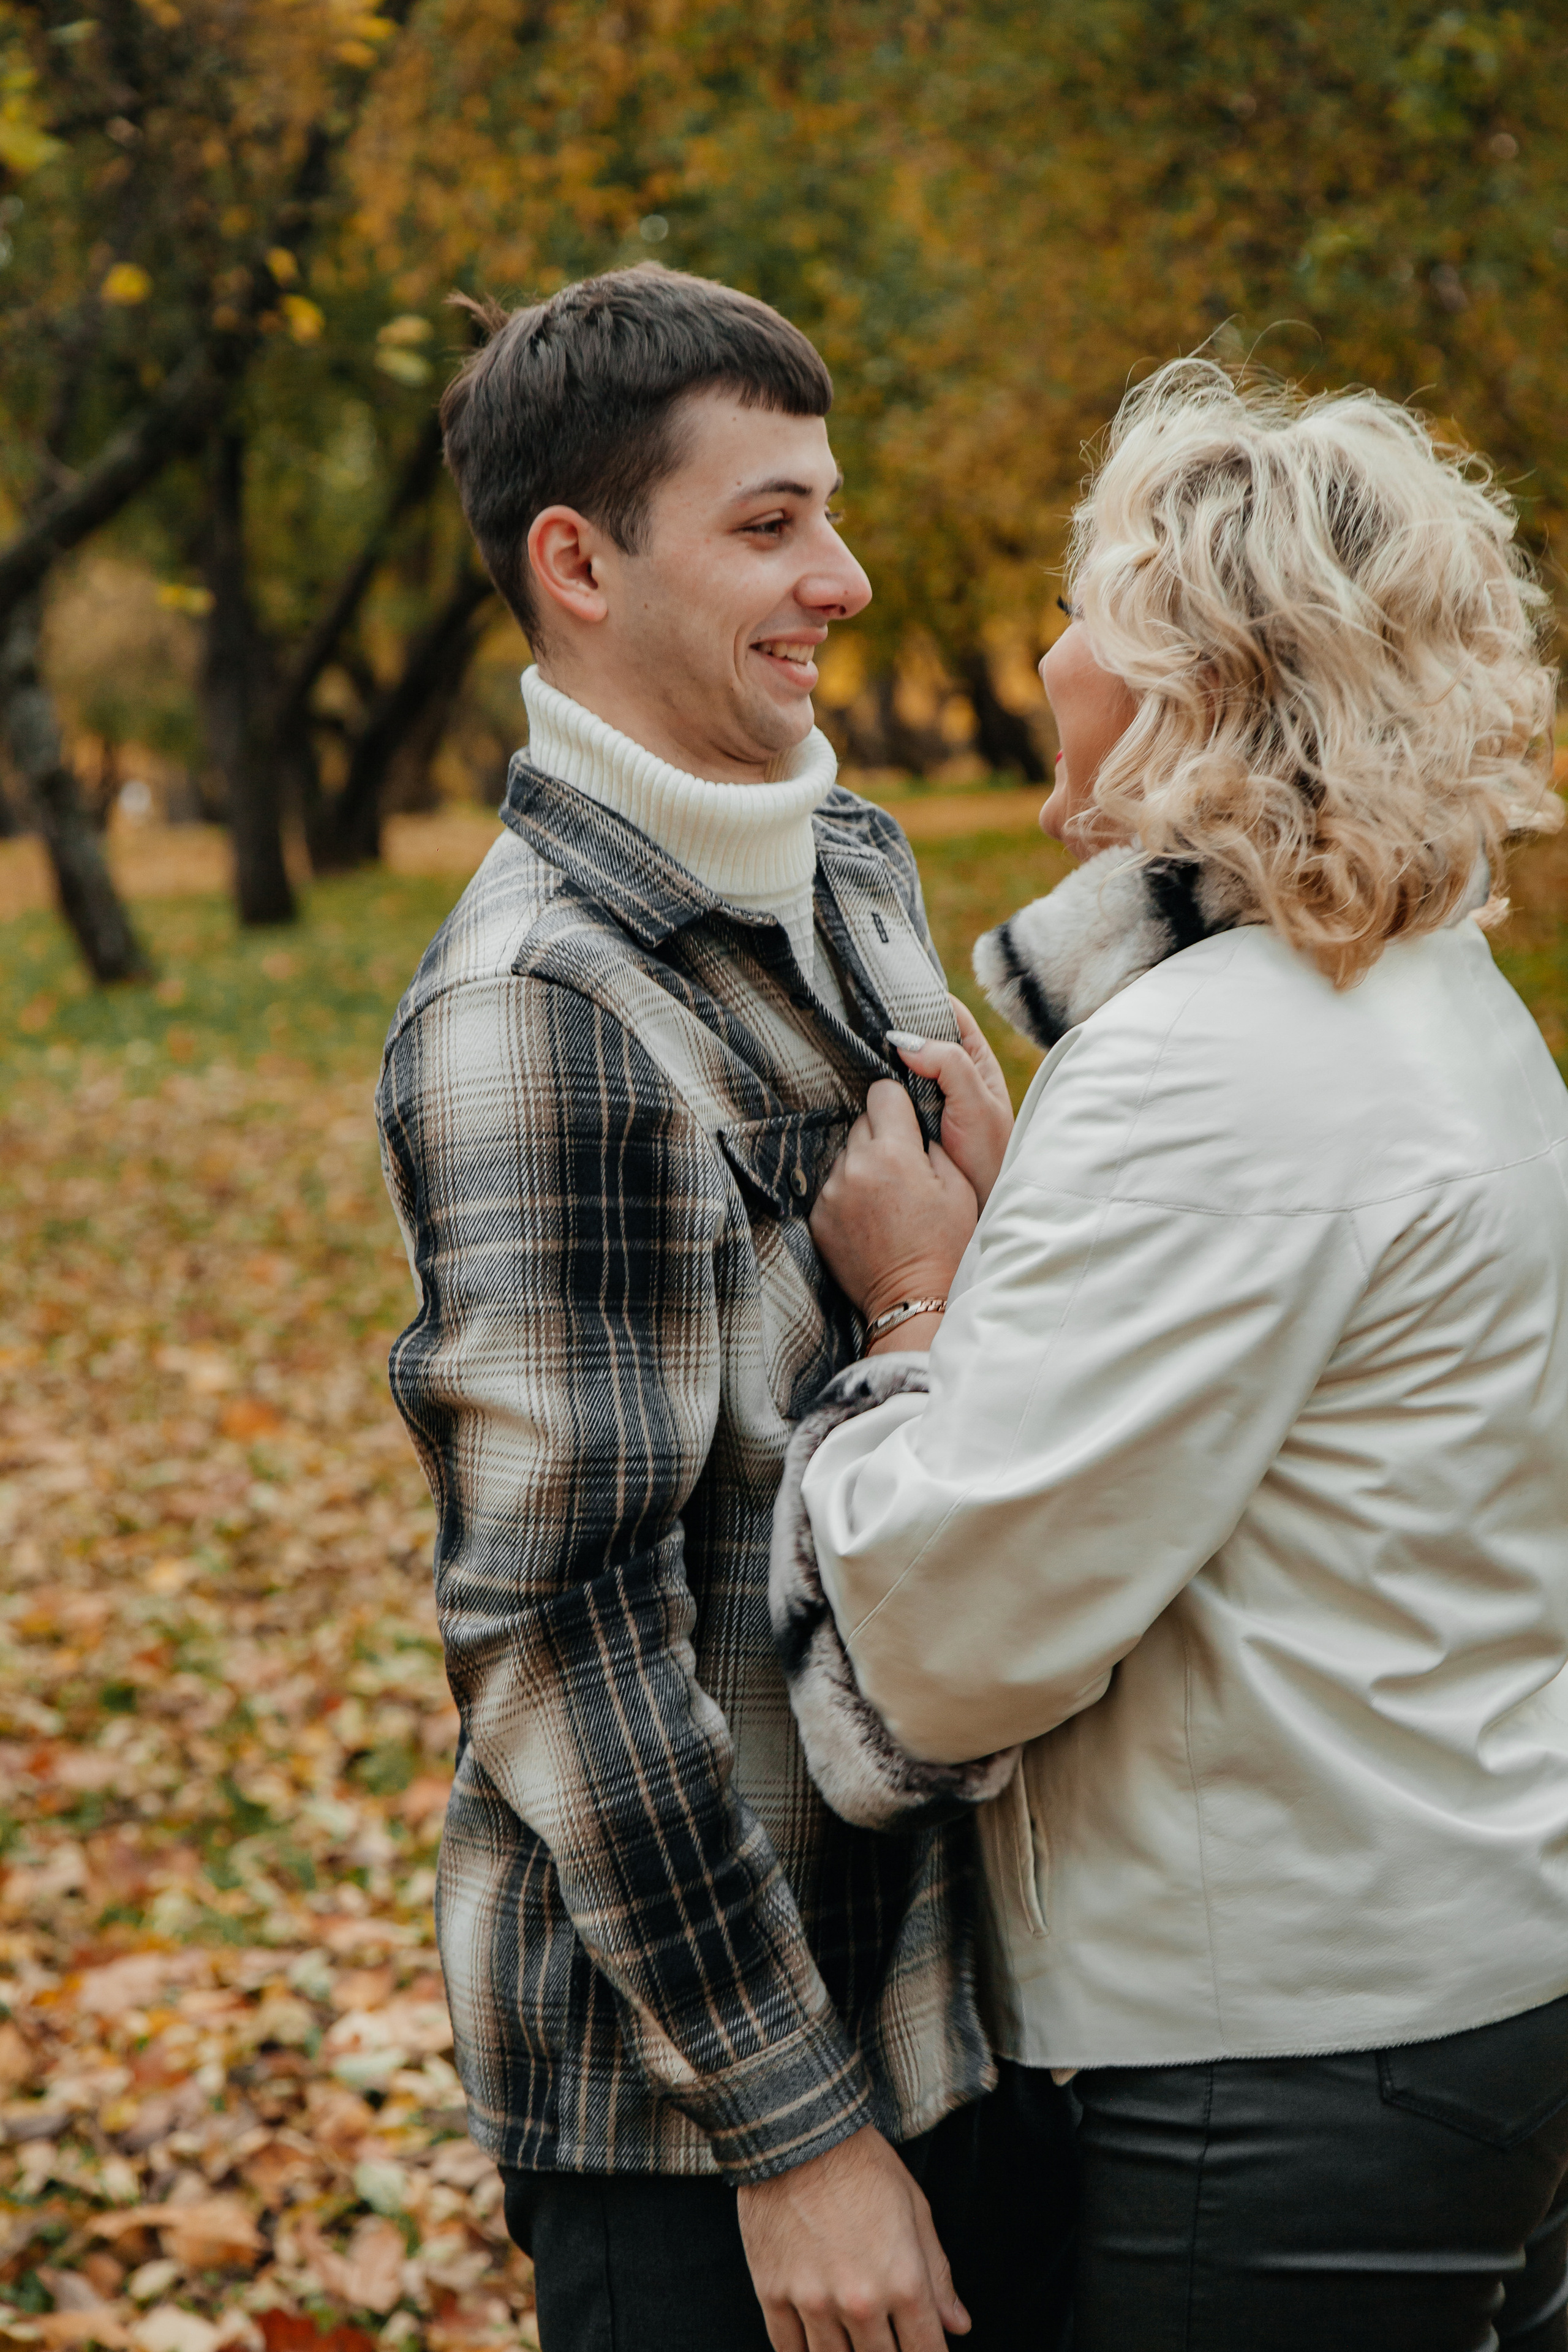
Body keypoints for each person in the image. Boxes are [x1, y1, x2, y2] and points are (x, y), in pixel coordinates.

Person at [774, 360, 1568, 2349]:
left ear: (1198, 670)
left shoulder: (1218, 1070)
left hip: (1287, 2046)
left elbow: (952, 1627)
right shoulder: (1434, 998)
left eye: (1091, 592)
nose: (1046, 643)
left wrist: (916, 1313)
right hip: (1463, 1971)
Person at [374, 266, 1075, 2352]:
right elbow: (557, 1625)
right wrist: (797, 2130)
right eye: (770, 525)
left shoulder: (847, 863)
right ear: (576, 564)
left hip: (951, 2004)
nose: (844, 579)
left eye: (828, 511)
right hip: (712, 2124)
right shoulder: (543, 1011)